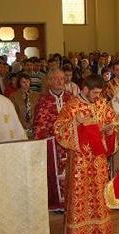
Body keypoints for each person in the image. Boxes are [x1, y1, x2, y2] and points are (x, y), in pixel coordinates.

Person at [54, 74, 116, 234]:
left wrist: (110, 131)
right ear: (85, 89)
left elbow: (111, 122)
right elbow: (59, 130)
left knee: (99, 197)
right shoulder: (72, 106)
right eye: (95, 93)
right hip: (80, 164)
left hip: (99, 163)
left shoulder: (102, 104)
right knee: (80, 198)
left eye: (99, 93)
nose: (98, 97)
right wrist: (77, 125)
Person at [34, 68, 72, 210]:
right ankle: (57, 204)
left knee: (70, 172)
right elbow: (39, 124)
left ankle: (71, 201)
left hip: (69, 144)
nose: (59, 81)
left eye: (62, 78)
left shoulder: (70, 98)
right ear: (49, 81)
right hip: (52, 145)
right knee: (54, 173)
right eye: (55, 79)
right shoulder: (43, 100)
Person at [9, 73, 39, 139]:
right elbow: (13, 113)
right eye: (23, 82)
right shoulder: (13, 96)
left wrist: (33, 122)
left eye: (28, 81)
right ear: (19, 83)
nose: (26, 84)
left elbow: (38, 110)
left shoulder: (36, 95)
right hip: (19, 126)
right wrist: (22, 123)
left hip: (34, 126)